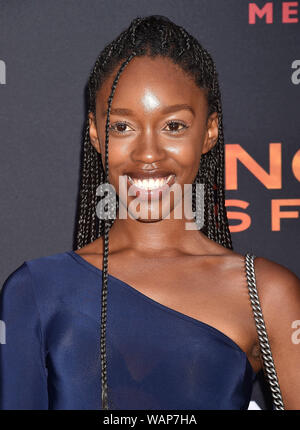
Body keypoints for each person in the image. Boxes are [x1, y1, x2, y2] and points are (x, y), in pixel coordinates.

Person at [1, 15, 300, 411]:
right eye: (122, 126)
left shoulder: (265, 293)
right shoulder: (35, 290)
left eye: (174, 125)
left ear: (209, 131)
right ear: (95, 133)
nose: (147, 154)